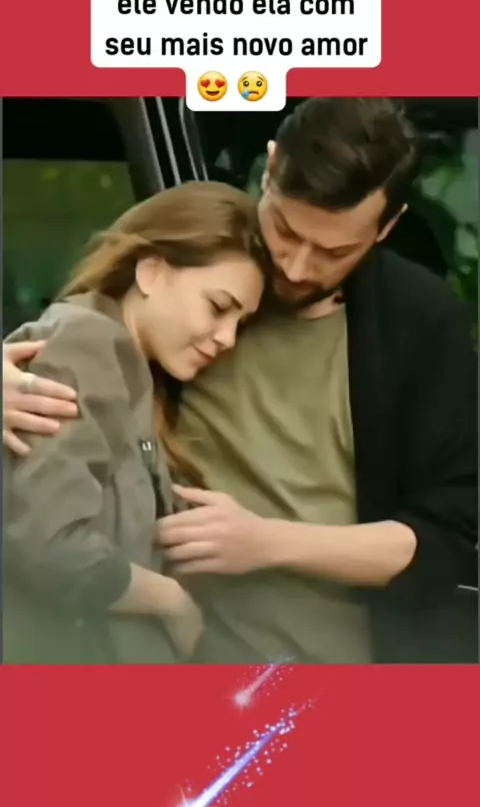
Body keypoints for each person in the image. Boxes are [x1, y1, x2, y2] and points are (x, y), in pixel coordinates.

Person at [4, 98, 477, 664]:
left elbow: (447, 534)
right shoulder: (195, 279)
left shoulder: (418, 322)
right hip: (175, 661)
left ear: (387, 228)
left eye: (334, 252)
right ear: (270, 168)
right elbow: (88, 341)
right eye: (285, 230)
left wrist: (266, 541)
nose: (297, 267)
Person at [2, 181, 264, 664]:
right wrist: (170, 601)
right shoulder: (88, 344)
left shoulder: (130, 367)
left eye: (240, 323)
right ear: (151, 272)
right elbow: (49, 543)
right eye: (218, 307)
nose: (227, 338)